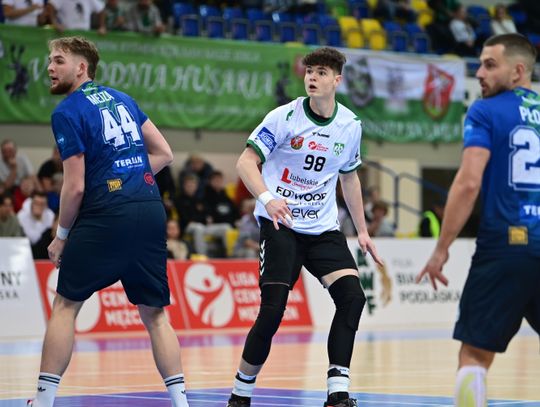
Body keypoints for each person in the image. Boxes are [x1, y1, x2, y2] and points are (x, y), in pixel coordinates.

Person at [27, 36, 190, 407]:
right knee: (156, 315)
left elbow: (75, 187)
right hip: (149, 209)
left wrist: (61, 235)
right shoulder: (124, 100)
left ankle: (43, 401)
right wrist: (126, 178)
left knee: (65, 306)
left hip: (106, 214)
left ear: (81, 67)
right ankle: (181, 402)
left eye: (58, 60)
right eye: (49, 60)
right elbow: (164, 153)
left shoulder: (67, 111)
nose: (50, 68)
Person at [226, 47, 383, 407]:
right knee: (272, 311)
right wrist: (268, 198)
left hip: (323, 229)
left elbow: (350, 178)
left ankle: (337, 393)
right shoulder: (284, 118)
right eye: (309, 71)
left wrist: (362, 230)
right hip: (281, 225)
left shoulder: (350, 125)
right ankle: (240, 395)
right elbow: (245, 162)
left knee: (352, 298)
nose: (312, 77)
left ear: (337, 80)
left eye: (321, 72)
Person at [416, 33, 540, 407]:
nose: (480, 74)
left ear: (518, 71)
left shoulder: (485, 111)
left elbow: (469, 183)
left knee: (474, 355)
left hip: (505, 248)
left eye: (490, 65)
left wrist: (441, 249)